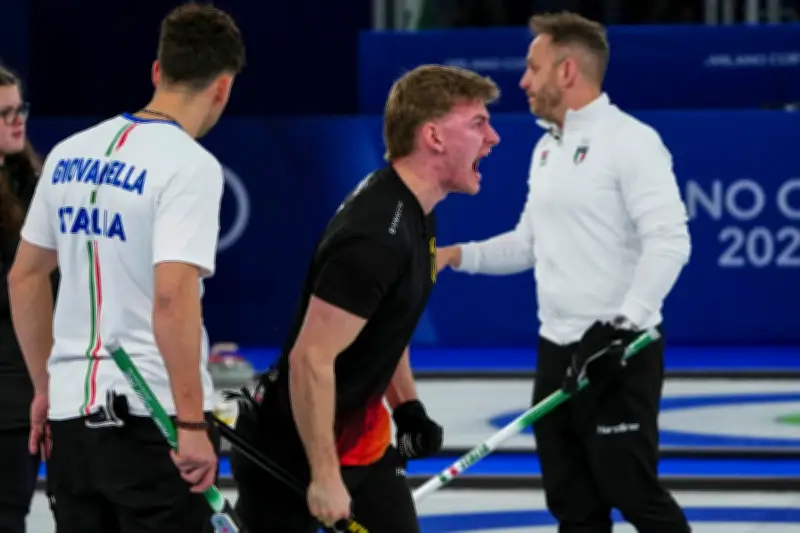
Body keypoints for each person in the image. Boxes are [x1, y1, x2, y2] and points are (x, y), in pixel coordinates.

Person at [437, 12, 692, 533]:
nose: (523, 81)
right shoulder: (547, 147)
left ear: (567, 71)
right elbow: (528, 242)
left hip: (618, 354)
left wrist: (625, 326)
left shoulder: (631, 141)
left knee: (633, 492)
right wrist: (453, 255)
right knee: (573, 504)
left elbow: (670, 241)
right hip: (556, 350)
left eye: (533, 68)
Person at [229, 64, 500, 532]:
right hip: (291, 452)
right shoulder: (375, 236)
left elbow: (386, 325)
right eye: (478, 123)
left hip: (363, 443)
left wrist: (407, 408)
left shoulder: (419, 211)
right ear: (433, 136)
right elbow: (310, 359)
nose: (492, 138)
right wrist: (325, 475)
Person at [7, 3, 245, 533]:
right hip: (151, 422)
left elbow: (24, 276)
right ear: (223, 88)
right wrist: (189, 421)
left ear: (157, 71)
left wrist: (46, 389)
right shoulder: (189, 165)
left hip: (71, 427)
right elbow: (173, 297)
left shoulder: (69, 153)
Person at [0, 65, 54, 533]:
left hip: (21, 392)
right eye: (4, 113)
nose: (18, 120)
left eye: (20, 109)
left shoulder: (32, 184)